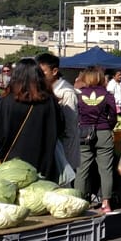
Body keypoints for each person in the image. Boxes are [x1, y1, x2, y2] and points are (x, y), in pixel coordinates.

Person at [0, 58, 62, 178]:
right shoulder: (49, 102)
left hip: (10, 165)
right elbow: (60, 128)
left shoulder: (6, 101)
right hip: (43, 165)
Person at [75, 66, 117, 212]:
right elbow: (113, 116)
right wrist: (108, 127)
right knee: (105, 170)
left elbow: (75, 114)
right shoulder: (107, 94)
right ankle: (106, 203)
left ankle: (79, 202)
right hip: (103, 132)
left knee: (82, 170)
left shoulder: (78, 94)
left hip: (83, 132)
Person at [35, 52, 80, 183]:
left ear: (54, 71)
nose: (39, 76)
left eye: (43, 72)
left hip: (64, 151)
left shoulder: (66, 93)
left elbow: (69, 126)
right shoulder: (42, 90)